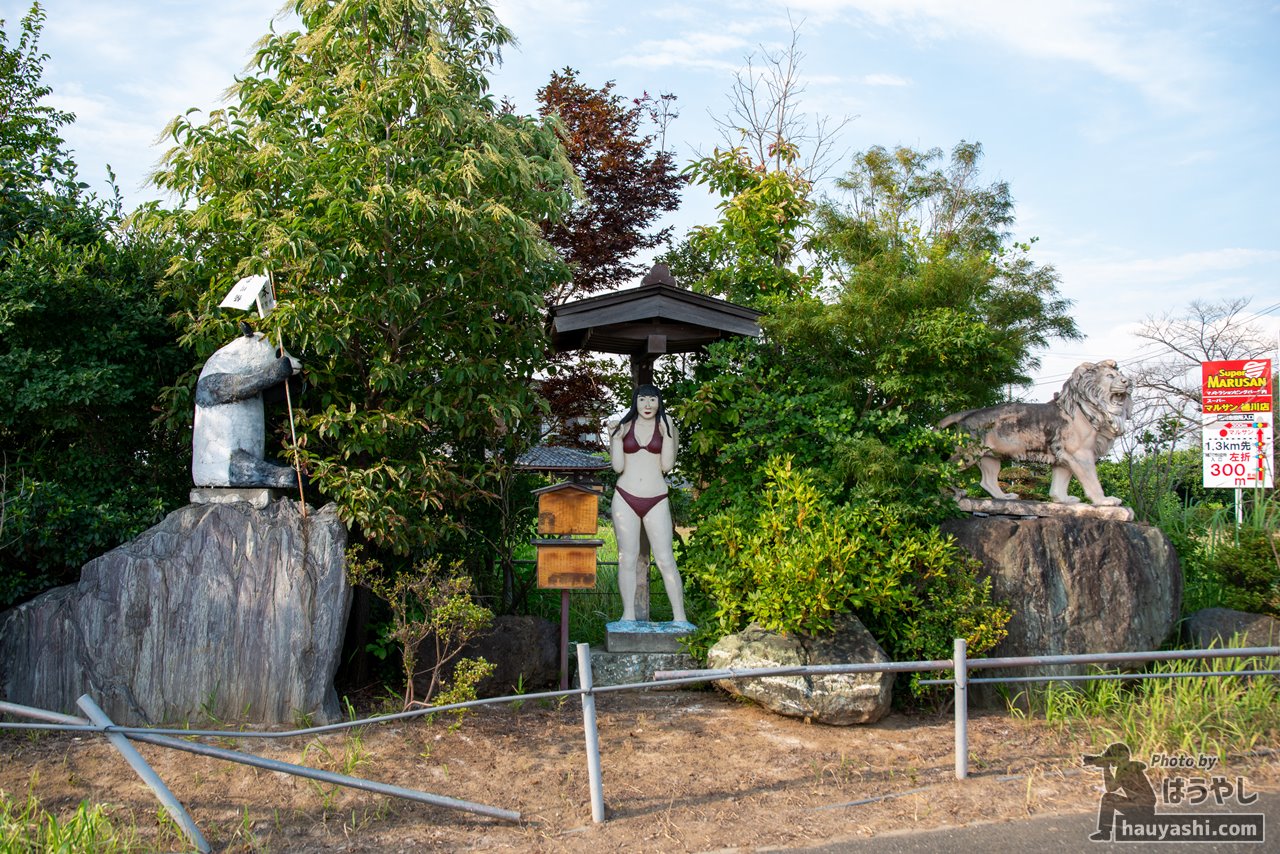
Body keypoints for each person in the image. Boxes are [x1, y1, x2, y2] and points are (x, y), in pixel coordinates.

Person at [608, 384, 688, 623]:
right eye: (642, 400)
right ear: (635, 402)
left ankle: (680, 617)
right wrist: (614, 439)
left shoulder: (665, 426)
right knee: (627, 558)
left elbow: (666, 466)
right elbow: (618, 467)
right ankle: (628, 615)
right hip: (625, 496)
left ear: (659, 403)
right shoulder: (624, 426)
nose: (647, 405)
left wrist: (668, 436)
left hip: (656, 497)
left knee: (665, 559)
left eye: (652, 400)